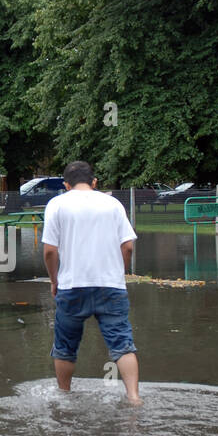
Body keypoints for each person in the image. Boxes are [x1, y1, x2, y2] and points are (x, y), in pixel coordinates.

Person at [41, 161, 140, 403]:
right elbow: (127, 246)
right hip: (111, 286)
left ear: (65, 185)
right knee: (122, 343)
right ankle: (134, 398)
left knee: (65, 346)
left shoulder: (57, 205)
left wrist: (54, 280)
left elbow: (50, 252)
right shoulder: (113, 204)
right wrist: (119, 272)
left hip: (71, 285)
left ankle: (64, 396)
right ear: (94, 182)